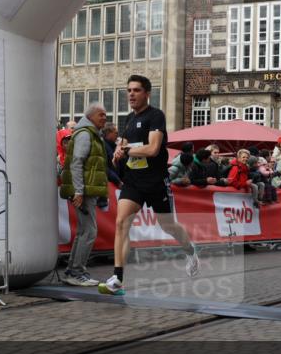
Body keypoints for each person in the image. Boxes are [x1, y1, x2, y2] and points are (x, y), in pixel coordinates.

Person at [104, 75, 198, 296]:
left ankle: (190, 250)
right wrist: (119, 150)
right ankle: (118, 277)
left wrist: (126, 150)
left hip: (156, 181)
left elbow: (153, 149)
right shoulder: (127, 119)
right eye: (128, 90)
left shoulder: (156, 116)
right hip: (134, 181)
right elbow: (125, 143)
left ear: (147, 93)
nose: (131, 94)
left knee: (168, 225)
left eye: (136, 90)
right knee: (121, 223)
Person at [59, 103, 109, 287]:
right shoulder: (86, 134)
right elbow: (77, 163)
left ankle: (73, 271)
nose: (105, 118)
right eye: (102, 115)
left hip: (86, 190)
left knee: (84, 231)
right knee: (89, 232)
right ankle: (76, 272)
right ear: (92, 116)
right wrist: (79, 190)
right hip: (84, 191)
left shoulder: (89, 133)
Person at [102, 121, 123, 187]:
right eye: (116, 133)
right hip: (109, 184)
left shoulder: (113, 146)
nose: (117, 135)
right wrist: (117, 181)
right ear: (108, 133)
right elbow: (104, 167)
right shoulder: (103, 146)